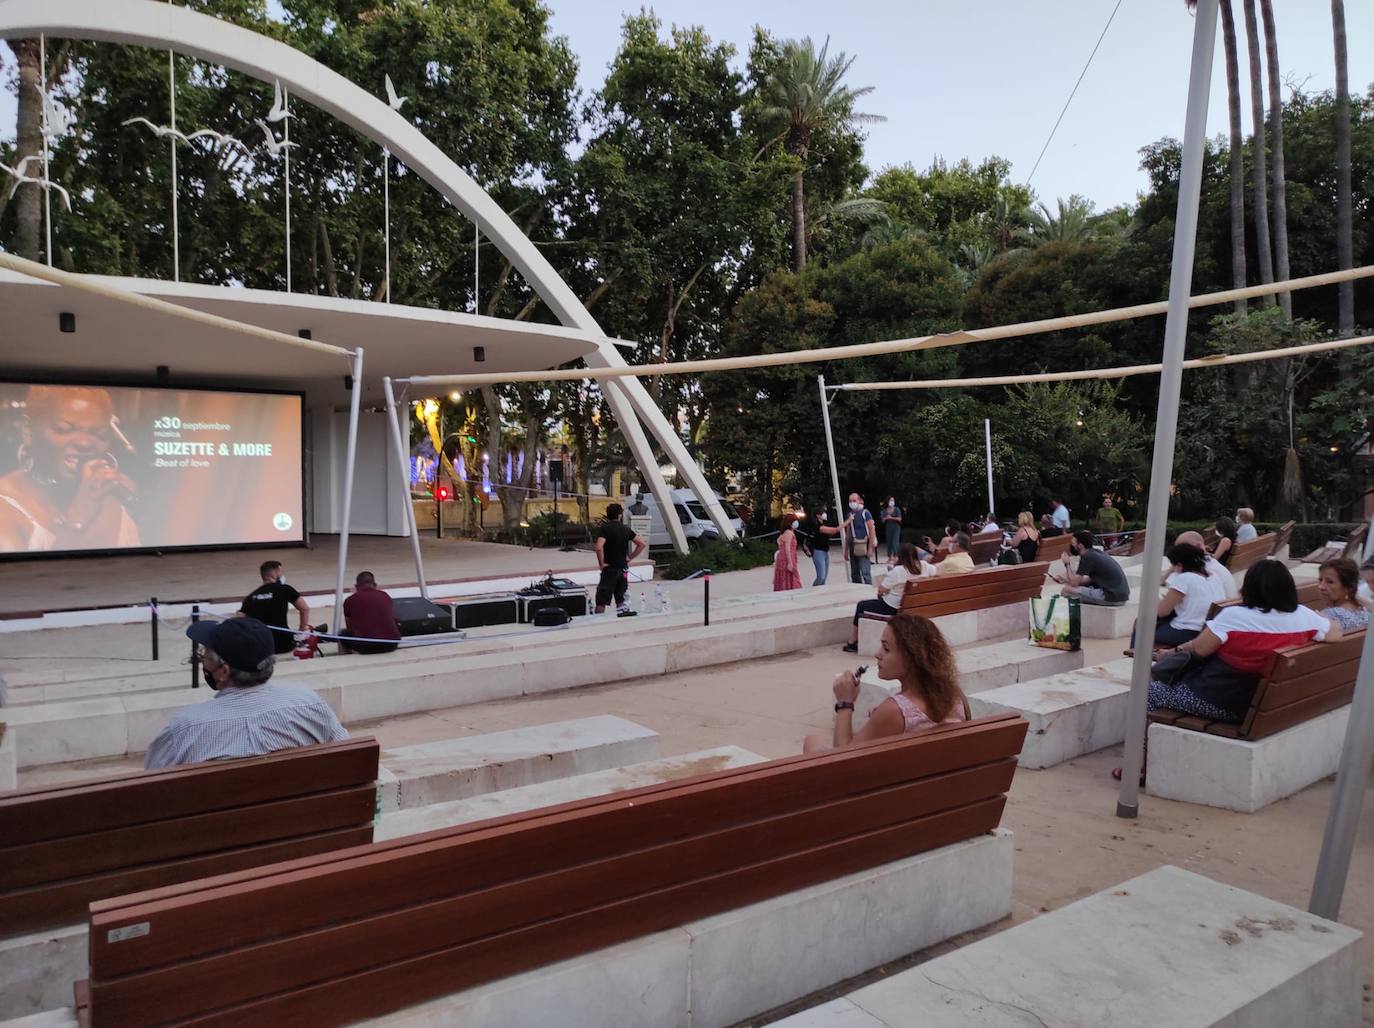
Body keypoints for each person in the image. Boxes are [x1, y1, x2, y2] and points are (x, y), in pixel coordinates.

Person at [1114, 560, 1343, 782]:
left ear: (1250, 588)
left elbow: (1199, 649)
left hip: (1219, 702)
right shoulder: (1304, 616)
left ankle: (1138, 765)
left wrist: (1171, 653)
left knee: (1147, 692)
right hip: (1264, 706)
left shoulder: (1236, 617)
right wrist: (1321, 618)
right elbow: (1336, 632)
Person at [145, 617, 347, 769]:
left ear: (223, 672)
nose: (202, 660)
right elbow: (346, 755)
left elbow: (152, 784)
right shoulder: (309, 703)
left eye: (204, 655)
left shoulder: (185, 728)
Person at [0, 385, 140, 552]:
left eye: (100, 434)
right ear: (28, 431)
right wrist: (77, 518)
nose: (84, 443)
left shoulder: (116, 495)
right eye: (64, 429)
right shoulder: (5, 506)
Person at [805, 613, 967, 753]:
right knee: (815, 742)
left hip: (893, 778)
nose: (878, 654)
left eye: (886, 648)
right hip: (931, 774)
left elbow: (841, 761)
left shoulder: (895, 710)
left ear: (912, 658)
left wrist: (845, 703)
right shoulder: (954, 696)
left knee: (812, 743)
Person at [1128, 542, 1229, 652]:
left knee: (1141, 625)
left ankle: (1134, 657)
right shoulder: (1214, 577)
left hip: (1187, 632)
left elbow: (1162, 612)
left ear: (1180, 565)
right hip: (1207, 630)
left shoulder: (1184, 579)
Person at [842, 543, 923, 653]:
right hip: (916, 606)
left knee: (861, 605)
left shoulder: (898, 571)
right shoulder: (926, 567)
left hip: (893, 607)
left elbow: (881, 590)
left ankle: (853, 641)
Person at [240, 560, 310, 655]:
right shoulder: (284, 589)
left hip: (261, 646)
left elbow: (241, 620)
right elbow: (304, 609)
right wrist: (302, 632)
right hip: (283, 645)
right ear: (274, 573)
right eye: (280, 571)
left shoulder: (251, 597)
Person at [1049, 530, 1129, 605]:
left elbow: (1074, 583)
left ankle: (1074, 614)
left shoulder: (1087, 557)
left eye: (1073, 544)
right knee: (1075, 588)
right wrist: (1065, 580)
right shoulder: (1096, 553)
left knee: (1066, 591)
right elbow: (1089, 579)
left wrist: (1067, 564)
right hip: (1120, 595)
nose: (1071, 546)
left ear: (1080, 545)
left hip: (1112, 597)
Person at [594, 502, 646, 615]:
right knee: (621, 599)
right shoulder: (625, 529)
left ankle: (598, 621)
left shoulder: (605, 529)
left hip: (609, 569)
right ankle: (621, 619)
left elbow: (598, 547)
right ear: (619, 515)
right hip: (623, 569)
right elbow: (641, 544)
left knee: (601, 600)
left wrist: (601, 564)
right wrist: (629, 558)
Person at [340, 571, 401, 654]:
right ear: (375, 585)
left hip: (366, 647)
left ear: (356, 586)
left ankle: (346, 655)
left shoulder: (350, 600)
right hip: (391, 644)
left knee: (342, 633)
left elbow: (349, 626)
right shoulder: (385, 596)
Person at [1176, 530, 1238, 598]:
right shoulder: (1211, 563)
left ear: (1197, 546)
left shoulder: (1200, 570)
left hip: (1220, 603)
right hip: (1227, 602)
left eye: (1181, 550)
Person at [1316, 557, 1370, 632]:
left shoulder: (1328, 616)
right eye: (1320, 580)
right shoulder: (1366, 611)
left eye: (1330, 582)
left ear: (1348, 587)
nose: (1321, 586)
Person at [801, 504, 840, 586]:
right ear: (818, 515)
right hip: (818, 552)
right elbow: (835, 530)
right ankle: (814, 588)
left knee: (824, 577)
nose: (825, 514)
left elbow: (829, 534)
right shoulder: (818, 526)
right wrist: (847, 522)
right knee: (821, 577)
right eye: (823, 512)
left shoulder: (824, 524)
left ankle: (821, 589)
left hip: (825, 551)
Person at [844, 492, 876, 585]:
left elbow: (871, 530)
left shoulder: (865, 513)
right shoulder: (850, 515)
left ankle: (868, 589)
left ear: (859, 501)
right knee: (854, 573)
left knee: (865, 572)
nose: (852, 503)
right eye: (850, 501)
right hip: (853, 545)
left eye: (854, 500)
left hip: (863, 545)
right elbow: (848, 533)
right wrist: (846, 550)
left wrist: (870, 548)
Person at [773, 515, 803, 592]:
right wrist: (790, 562)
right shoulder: (788, 533)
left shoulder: (785, 533)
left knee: (785, 578)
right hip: (787, 558)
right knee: (790, 577)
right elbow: (787, 548)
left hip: (785, 557)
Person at [880, 496, 903, 566]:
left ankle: (896, 556)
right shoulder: (884, 510)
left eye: (893, 500)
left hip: (896, 527)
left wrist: (891, 518)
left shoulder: (897, 509)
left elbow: (899, 519)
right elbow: (882, 520)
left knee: (895, 542)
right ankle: (890, 557)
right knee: (889, 542)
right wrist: (886, 518)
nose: (892, 502)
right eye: (891, 500)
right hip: (888, 527)